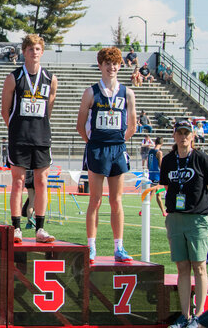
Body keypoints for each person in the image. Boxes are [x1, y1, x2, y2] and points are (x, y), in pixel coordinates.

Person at [76, 47, 137, 263]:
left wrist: (119, 141)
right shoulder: (91, 92)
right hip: (97, 148)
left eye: (115, 64)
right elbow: (80, 124)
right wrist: (93, 143)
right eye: (107, 64)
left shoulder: (127, 93)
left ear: (120, 66)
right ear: (100, 66)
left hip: (118, 149)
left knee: (116, 200)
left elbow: (132, 125)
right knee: (95, 199)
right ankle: (91, 246)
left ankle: (118, 247)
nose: (111, 67)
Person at [1, 35, 58, 242]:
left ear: (42, 52)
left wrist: (38, 128)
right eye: (30, 49)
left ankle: (40, 229)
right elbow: (5, 110)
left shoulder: (50, 79)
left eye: (37, 49)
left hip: (42, 138)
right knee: (18, 182)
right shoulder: (14, 78)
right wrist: (17, 130)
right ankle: (16, 227)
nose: (34, 52)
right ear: (24, 52)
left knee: (42, 182)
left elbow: (47, 109)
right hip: (19, 138)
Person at [161, 120, 208, 328]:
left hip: (197, 220)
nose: (183, 137)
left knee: (200, 267)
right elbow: (167, 186)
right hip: (175, 218)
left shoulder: (202, 159)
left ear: (192, 136)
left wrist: (199, 206)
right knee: (182, 267)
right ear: (174, 136)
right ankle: (185, 316)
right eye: (180, 133)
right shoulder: (167, 161)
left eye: (187, 133)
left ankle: (198, 317)